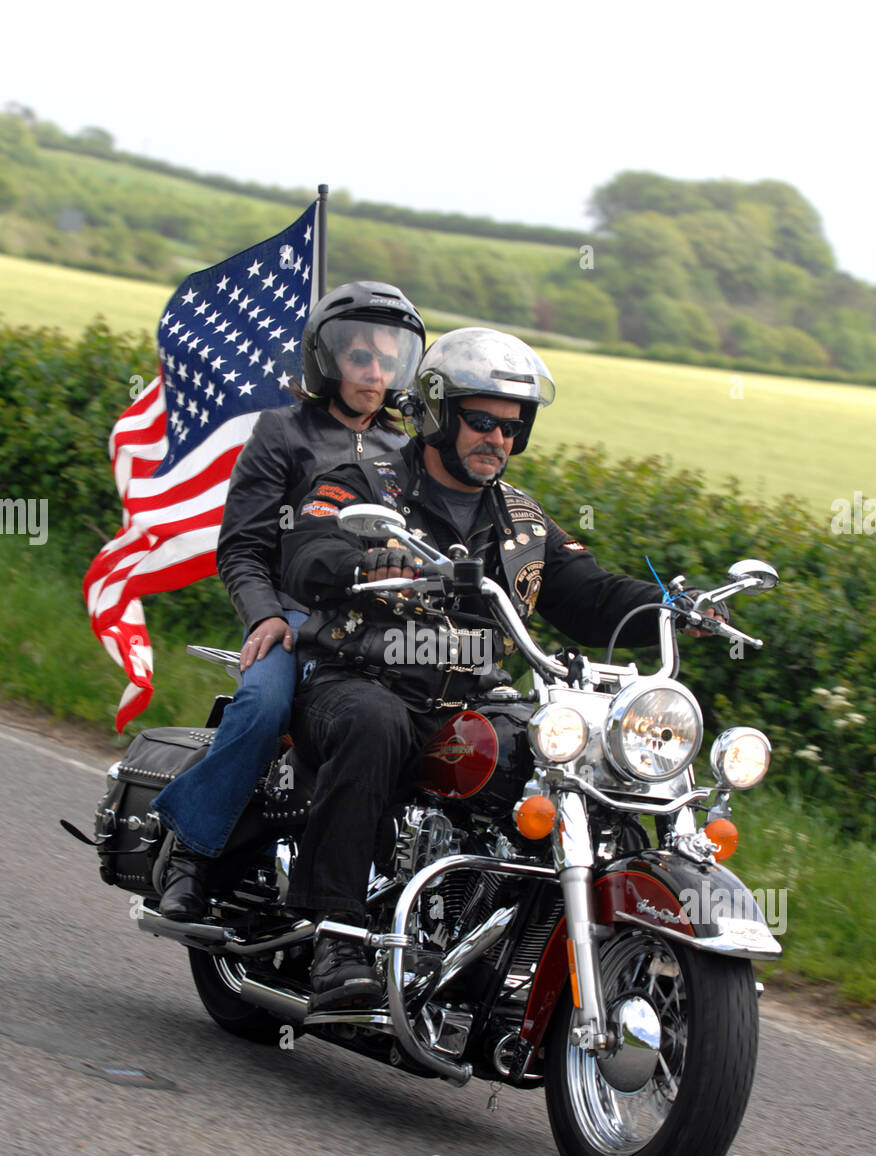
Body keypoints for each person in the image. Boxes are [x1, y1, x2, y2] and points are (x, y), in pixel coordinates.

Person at [279, 327, 723, 1011]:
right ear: (438, 414)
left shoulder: (522, 522)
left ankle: (576, 942)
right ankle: (337, 933)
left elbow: (592, 595)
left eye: (513, 428)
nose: (498, 439)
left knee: (584, 758)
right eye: (481, 421)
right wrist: (366, 563)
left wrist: (671, 605)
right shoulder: (364, 483)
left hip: (469, 703)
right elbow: (306, 553)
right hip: (358, 682)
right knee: (375, 724)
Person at [152, 281, 426, 920]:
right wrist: (266, 615)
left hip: (379, 628)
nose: (375, 372)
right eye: (360, 357)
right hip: (293, 614)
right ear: (326, 361)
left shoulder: (405, 452)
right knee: (265, 701)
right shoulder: (283, 432)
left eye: (388, 359)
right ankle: (190, 852)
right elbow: (242, 548)